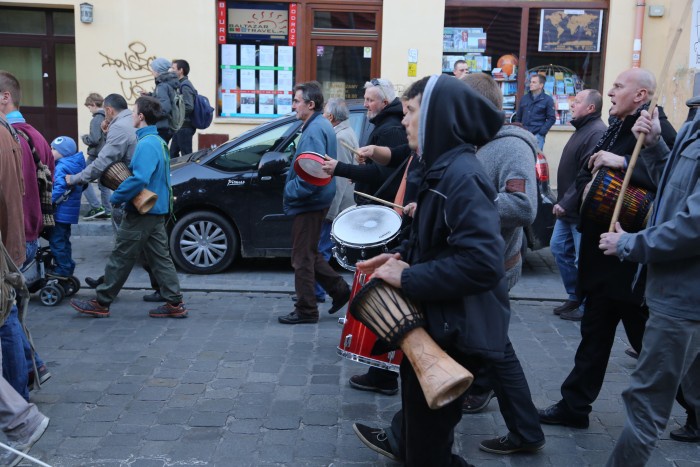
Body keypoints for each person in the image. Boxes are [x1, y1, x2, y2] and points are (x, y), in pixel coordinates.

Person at [352, 74, 508, 466]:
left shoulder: (463, 176)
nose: (403, 122)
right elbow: (438, 243)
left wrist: (406, 277)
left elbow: (483, 264)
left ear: (439, 116)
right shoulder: (441, 170)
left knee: (427, 449)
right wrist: (399, 257)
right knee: (424, 444)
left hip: (455, 331)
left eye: (411, 112)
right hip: (440, 323)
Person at [538, 68, 678, 430]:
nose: (610, 92)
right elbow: (590, 172)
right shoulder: (616, 126)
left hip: (629, 258)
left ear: (641, 95)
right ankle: (574, 406)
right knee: (595, 334)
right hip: (604, 253)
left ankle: (695, 407)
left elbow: (670, 187)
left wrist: (619, 163)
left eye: (618, 86)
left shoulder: (656, 131)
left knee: (650, 342)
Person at [600, 107, 700, 466]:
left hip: (684, 300)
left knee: (645, 404)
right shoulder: (695, 124)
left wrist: (629, 245)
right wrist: (656, 145)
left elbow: (692, 227)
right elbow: (672, 191)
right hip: (675, 292)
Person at [322, 78, 409, 395]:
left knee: (380, 294)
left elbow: (382, 175)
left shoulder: (391, 128)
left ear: (386, 102)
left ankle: (383, 373)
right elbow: (387, 165)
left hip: (383, 221)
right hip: (381, 216)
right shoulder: (389, 127)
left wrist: (340, 169)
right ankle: (380, 370)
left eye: (371, 99)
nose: (366, 103)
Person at [70, 96, 187, 319]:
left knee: (120, 256)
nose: (132, 116)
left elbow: (139, 179)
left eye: (134, 112)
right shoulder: (158, 140)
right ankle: (175, 303)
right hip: (156, 209)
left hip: (142, 210)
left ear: (141, 117)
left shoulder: (146, 144)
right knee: (161, 258)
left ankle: (101, 302)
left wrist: (118, 197)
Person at [0, 114, 51, 467]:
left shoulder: (16, 134)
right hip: (15, 242)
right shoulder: (14, 133)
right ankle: (22, 404)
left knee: (6, 322)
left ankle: (19, 415)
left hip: (9, 245)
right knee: (6, 319)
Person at [278, 81, 351, 325]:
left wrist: (290, 190)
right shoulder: (318, 125)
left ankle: (306, 309)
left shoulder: (314, 130)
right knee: (309, 253)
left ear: (310, 104)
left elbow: (313, 174)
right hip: (315, 199)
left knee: (301, 258)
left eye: (297, 101)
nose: (294, 105)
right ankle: (340, 290)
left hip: (310, 200)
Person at [550, 90, 607, 321]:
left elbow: (586, 174)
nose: (572, 104)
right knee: (558, 249)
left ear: (591, 108)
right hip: (568, 209)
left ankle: (586, 304)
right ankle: (575, 295)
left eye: (578, 101)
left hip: (579, 210)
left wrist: (566, 202)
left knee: (581, 258)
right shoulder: (583, 128)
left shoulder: (596, 132)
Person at [310, 97, 357, 302]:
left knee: (321, 250)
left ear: (330, 116)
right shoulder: (345, 131)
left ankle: (318, 292)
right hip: (342, 203)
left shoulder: (339, 138)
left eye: (324, 114)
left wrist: (330, 211)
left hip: (337, 205)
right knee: (323, 249)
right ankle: (316, 291)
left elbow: (339, 177)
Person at [47, 136, 85, 279]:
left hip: (60, 212)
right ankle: (68, 265)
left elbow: (59, 188)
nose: (50, 151)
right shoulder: (75, 164)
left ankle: (62, 268)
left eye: (53, 149)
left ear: (64, 152)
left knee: (57, 241)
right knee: (64, 240)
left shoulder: (62, 166)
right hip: (68, 212)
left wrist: (47, 202)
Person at [81, 92, 111, 220]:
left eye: (89, 107)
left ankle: (96, 207)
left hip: (95, 155)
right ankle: (108, 210)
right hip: (106, 154)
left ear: (93, 104)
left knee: (82, 179)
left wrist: (84, 138)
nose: (89, 110)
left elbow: (94, 139)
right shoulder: (108, 117)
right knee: (104, 184)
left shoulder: (96, 119)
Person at [515, 74, 556, 150]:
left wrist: (541, 133)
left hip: (537, 135)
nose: (530, 84)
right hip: (524, 135)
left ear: (541, 85)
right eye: (531, 82)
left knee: (537, 160)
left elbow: (551, 118)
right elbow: (518, 117)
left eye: (534, 82)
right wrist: (518, 131)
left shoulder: (547, 100)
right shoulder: (524, 98)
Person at [147, 57, 179, 143]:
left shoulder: (162, 86)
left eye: (153, 69)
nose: (152, 72)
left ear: (158, 70)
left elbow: (164, 108)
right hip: (166, 126)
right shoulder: (168, 83)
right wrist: (149, 95)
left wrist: (151, 115)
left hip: (161, 127)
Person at [170, 59, 196, 157]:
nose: (171, 70)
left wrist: (177, 114)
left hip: (185, 127)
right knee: (172, 154)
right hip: (180, 126)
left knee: (187, 155)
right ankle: (174, 172)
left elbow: (189, 106)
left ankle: (191, 172)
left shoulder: (185, 85)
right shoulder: (180, 84)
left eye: (173, 68)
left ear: (180, 70)